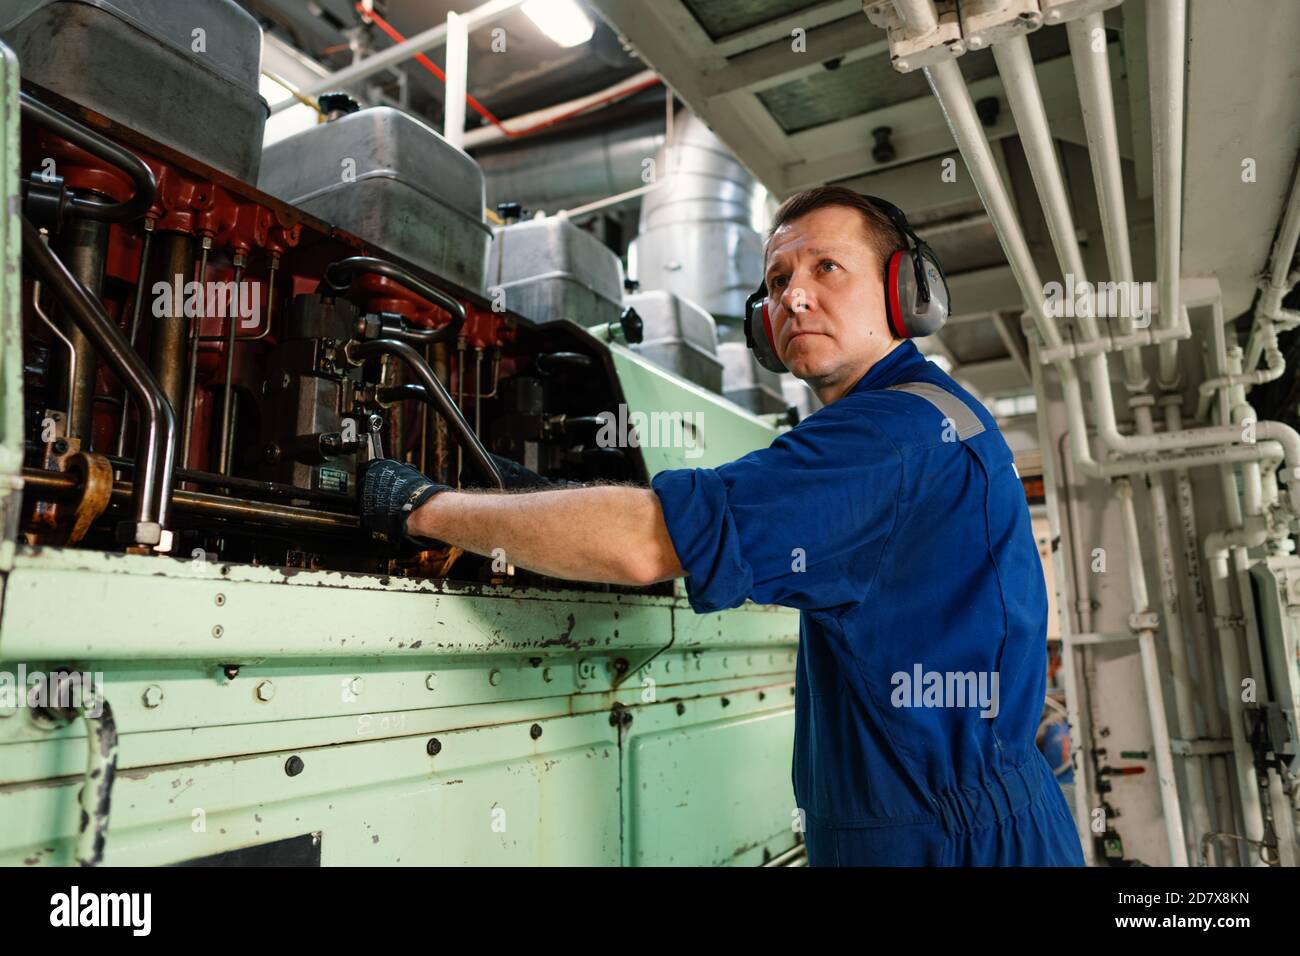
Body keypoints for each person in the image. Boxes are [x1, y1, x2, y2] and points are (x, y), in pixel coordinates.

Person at [360, 185, 1085, 867]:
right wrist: (520, 501)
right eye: (775, 282)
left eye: (827, 267)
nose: (795, 295)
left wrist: (423, 508)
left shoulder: (889, 435)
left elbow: (645, 544)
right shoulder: (922, 413)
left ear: (906, 292)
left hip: (947, 845)